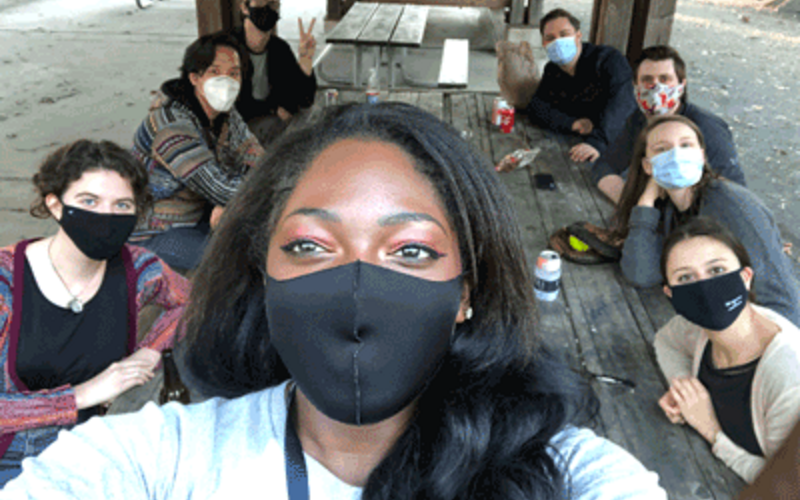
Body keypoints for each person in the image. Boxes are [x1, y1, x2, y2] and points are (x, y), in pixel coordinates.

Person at [0, 104, 667, 499]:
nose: (355, 286)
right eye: (312, 246)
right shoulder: (159, 460)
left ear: (467, 293)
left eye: (409, 251)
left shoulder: (564, 470)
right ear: (263, 274)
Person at [0, 140, 190, 487]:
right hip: (14, 462)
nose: (106, 216)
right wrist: (83, 395)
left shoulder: (139, 269)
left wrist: (151, 350)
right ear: (55, 205)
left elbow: (189, 303)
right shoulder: (6, 281)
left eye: (122, 205)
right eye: (89, 201)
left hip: (102, 449)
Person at [614, 114, 800, 326]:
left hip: (768, 333)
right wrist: (645, 204)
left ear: (702, 156)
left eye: (686, 145)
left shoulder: (732, 205)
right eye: (661, 149)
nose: (676, 154)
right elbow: (641, 274)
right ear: (648, 166)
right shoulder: (667, 208)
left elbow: (781, 298)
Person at [654, 217, 800, 483]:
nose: (704, 288)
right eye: (685, 277)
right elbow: (665, 341)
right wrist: (684, 387)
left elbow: (788, 486)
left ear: (745, 277)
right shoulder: (694, 328)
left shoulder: (790, 378)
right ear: (671, 294)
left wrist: (711, 431)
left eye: (717, 270)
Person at [130, 32, 265, 271]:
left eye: (234, 73)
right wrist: (240, 194)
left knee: (260, 235)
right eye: (215, 72)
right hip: (154, 230)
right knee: (237, 263)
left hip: (198, 215)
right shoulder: (170, 126)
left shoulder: (224, 115)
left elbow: (258, 158)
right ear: (194, 77)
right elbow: (221, 189)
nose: (227, 81)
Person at [592, 46, 746, 204]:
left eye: (664, 79)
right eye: (647, 80)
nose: (655, 87)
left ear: (681, 85)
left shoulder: (708, 129)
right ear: (635, 85)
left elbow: (735, 194)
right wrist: (631, 205)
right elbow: (605, 166)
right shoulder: (640, 118)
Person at [524, 8, 637, 163]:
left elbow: (621, 105)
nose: (558, 42)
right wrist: (572, 123)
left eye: (564, 34)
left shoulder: (609, 61)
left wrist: (597, 142)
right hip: (573, 143)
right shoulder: (552, 70)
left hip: (619, 143)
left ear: (578, 36)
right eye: (550, 38)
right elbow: (536, 108)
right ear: (544, 44)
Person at [232, 0, 318, 146]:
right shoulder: (226, 48)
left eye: (272, 4)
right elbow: (231, 104)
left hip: (274, 126)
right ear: (244, 8)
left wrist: (306, 60)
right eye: (260, 3)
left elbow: (304, 100)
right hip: (240, 129)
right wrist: (273, 109)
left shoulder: (279, 48)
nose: (267, 10)